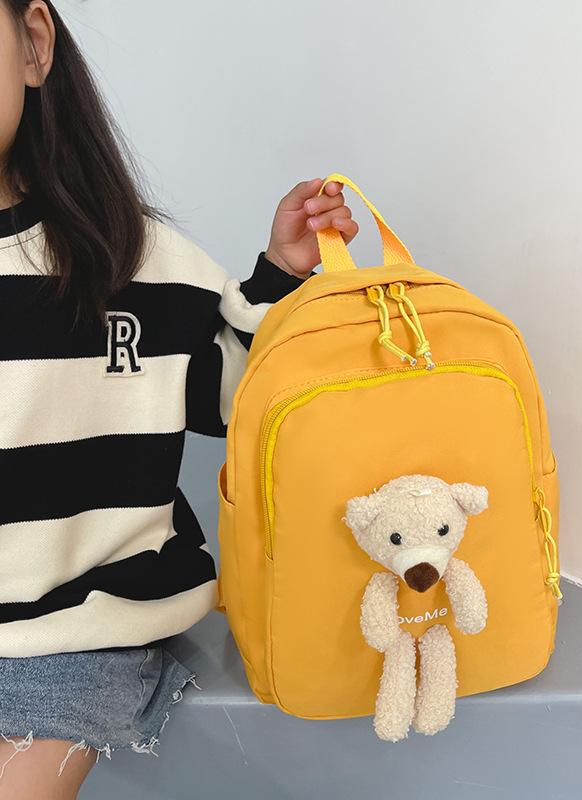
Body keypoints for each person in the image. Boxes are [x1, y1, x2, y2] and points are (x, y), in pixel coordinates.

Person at [0, 2, 359, 796]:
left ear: (33, 44)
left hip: (75, 631)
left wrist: (279, 278)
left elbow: (235, 400)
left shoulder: (129, 254)